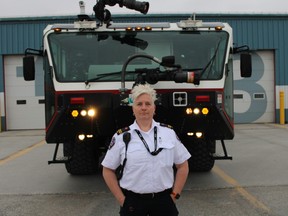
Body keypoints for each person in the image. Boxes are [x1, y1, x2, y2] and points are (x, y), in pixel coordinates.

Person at [101, 84, 191, 216]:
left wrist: (174, 195)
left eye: (148, 104)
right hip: (133, 202)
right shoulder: (121, 136)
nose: (144, 108)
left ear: (154, 108)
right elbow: (107, 170)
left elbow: (183, 165)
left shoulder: (169, 133)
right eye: (139, 104)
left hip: (164, 201)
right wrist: (122, 200)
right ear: (133, 108)